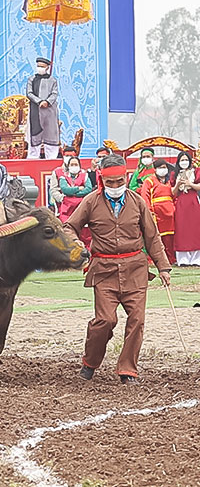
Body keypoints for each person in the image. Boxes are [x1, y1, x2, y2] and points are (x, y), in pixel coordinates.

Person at [68, 154, 172, 384]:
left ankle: (127, 369)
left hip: (135, 269)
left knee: (137, 320)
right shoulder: (91, 202)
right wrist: (77, 245)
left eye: (119, 182)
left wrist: (163, 268)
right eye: (110, 183)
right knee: (105, 320)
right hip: (104, 270)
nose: (115, 187)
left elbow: (152, 236)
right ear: (101, 180)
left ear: (125, 178)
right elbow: (69, 227)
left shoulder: (137, 202)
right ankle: (90, 361)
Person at [138, 159, 177, 264]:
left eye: (164, 167)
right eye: (160, 167)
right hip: (157, 213)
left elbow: (175, 196)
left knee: (170, 238)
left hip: (170, 213)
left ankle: (171, 259)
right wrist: (149, 211)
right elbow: (145, 197)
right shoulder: (149, 181)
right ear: (155, 169)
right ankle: (155, 259)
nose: (163, 170)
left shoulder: (170, 181)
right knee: (156, 237)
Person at [25, 56, 60, 159]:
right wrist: (39, 101)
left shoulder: (53, 80)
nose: (40, 68)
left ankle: (52, 158)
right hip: (36, 111)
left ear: (47, 67)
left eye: (42, 66)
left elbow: (54, 93)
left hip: (50, 112)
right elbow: (29, 93)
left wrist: (47, 102)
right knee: (35, 136)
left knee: (51, 135)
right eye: (38, 66)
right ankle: (33, 158)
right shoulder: (31, 79)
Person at [173, 152, 200, 266]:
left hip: (193, 201)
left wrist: (190, 183)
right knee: (181, 229)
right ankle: (183, 259)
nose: (184, 162)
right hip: (181, 203)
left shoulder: (196, 172)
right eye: (182, 160)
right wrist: (178, 184)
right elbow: (173, 193)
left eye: (186, 159)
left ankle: (196, 259)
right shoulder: (175, 174)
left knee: (195, 229)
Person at [56, 155, 94, 235]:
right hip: (67, 208)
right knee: (67, 230)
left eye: (76, 164)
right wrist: (78, 188)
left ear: (79, 166)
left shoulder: (85, 176)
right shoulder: (63, 177)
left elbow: (88, 189)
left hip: (81, 206)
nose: (74, 166)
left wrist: (74, 194)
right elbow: (65, 190)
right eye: (72, 165)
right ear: (68, 166)